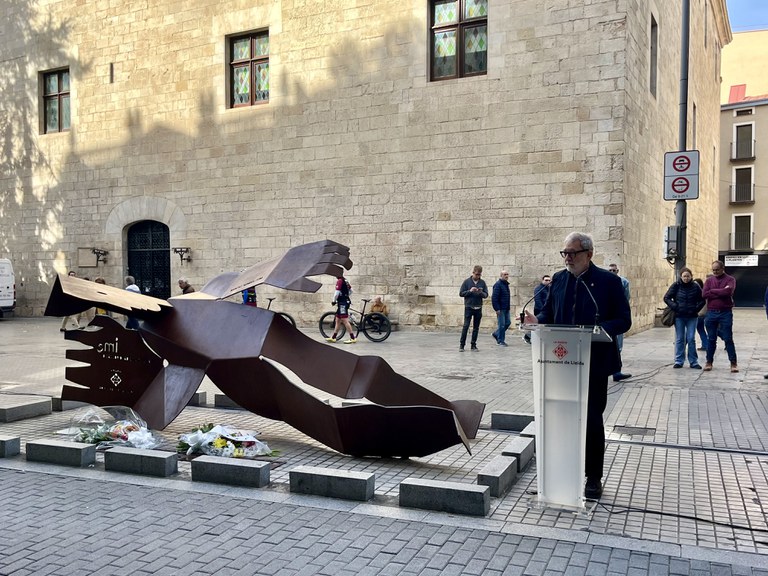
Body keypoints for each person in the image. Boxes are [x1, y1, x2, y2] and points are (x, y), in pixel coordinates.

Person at [524, 232, 631, 499]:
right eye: (565, 253)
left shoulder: (609, 282)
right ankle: (561, 471)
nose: (568, 258)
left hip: (593, 364)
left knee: (592, 421)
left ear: (589, 254)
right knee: (560, 418)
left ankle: (593, 477)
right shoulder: (559, 279)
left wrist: (598, 330)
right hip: (560, 362)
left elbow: (623, 320)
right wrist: (537, 321)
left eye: (572, 253)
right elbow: (549, 312)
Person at [663, 267, 705, 369]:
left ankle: (693, 361)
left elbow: (702, 300)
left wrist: (695, 309)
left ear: (691, 277)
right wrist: (675, 306)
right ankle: (679, 361)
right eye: (684, 276)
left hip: (692, 316)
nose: (686, 278)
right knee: (680, 339)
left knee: (691, 338)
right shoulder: (676, 285)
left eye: (688, 276)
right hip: (679, 316)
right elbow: (666, 297)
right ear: (681, 277)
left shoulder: (696, 287)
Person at [702, 261, 737, 372]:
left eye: (717, 269)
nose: (715, 272)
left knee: (728, 338)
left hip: (725, 312)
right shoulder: (709, 280)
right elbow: (704, 294)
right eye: (713, 270)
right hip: (711, 312)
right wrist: (720, 292)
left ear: (723, 268)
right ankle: (709, 362)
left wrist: (712, 291)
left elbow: (728, 292)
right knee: (711, 339)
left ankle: (733, 363)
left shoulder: (730, 280)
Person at [608, 263, 632, 382]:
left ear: (617, 271)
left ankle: (616, 372)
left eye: (614, 270)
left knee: (618, 346)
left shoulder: (624, 282)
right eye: (610, 270)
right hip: (606, 318)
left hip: (617, 318)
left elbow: (626, 299)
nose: (612, 272)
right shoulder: (604, 281)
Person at [459, 265, 488, 351]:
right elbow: (461, 293)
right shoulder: (466, 282)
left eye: (479, 275)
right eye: (476, 274)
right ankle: (462, 345)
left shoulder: (482, 283)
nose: (478, 276)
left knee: (476, 327)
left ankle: (473, 345)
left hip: (478, 307)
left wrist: (480, 293)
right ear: (473, 273)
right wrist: (470, 291)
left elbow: (486, 295)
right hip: (469, 307)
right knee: (466, 326)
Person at [326, 275, 356, 344]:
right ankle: (333, 337)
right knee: (338, 320)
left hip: (342, 303)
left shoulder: (339, 281)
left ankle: (352, 338)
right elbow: (351, 291)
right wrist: (346, 296)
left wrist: (334, 301)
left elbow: (337, 293)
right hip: (345, 301)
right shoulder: (345, 280)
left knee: (345, 320)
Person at [491, 270, 511, 346]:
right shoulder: (498, 285)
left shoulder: (506, 284)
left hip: (506, 308)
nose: (506, 276)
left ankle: (496, 334)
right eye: (504, 274)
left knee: (508, 323)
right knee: (501, 325)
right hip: (500, 309)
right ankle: (500, 341)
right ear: (501, 275)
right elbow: (494, 298)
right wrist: (497, 309)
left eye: (507, 274)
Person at [693, 278, 708, 350]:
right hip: (701, 314)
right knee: (701, 330)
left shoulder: (701, 293)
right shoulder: (702, 292)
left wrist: (700, 313)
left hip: (699, 314)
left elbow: (704, 304)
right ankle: (705, 345)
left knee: (691, 331)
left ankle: (682, 345)